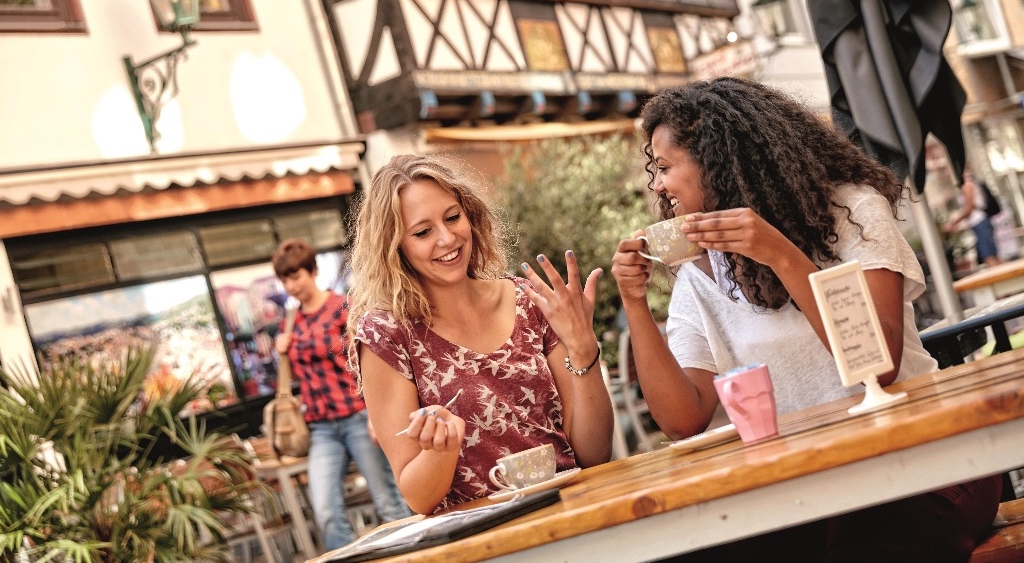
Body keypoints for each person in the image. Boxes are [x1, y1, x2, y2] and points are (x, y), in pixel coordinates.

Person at [610, 77, 1002, 562]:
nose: (657, 185)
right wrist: (634, 303)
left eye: (665, 167)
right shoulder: (698, 271)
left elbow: (876, 362)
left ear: (716, 159)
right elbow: (682, 420)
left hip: (924, 459)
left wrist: (780, 253)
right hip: (806, 489)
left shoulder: (854, 211)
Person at [346, 154, 614, 515]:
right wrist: (440, 452)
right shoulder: (387, 337)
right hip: (484, 540)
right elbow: (418, 497)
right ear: (396, 248)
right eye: (423, 232)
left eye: (453, 217)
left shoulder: (528, 301)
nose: (447, 238)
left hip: (575, 512)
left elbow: (594, 455)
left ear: (470, 214)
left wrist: (584, 350)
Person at [272, 239, 411, 552]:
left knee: (387, 500)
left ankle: (411, 555)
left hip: (357, 417)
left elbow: (365, 363)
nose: (291, 285)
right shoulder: (290, 321)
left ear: (313, 271)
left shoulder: (342, 309)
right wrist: (280, 352)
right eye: (285, 279)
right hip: (321, 427)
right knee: (325, 511)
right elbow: (298, 374)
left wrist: (377, 416)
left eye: (296, 276)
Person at [943, 169, 1001, 268]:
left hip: (980, 222)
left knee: (989, 256)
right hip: (979, 222)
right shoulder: (969, 184)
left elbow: (968, 209)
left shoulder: (967, 185)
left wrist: (953, 223)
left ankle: (1002, 281)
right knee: (991, 255)